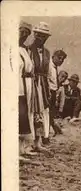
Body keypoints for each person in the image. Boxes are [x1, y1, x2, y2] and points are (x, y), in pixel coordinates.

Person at [30, 22, 52, 150]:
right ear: (35, 35)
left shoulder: (47, 53)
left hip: (42, 83)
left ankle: (42, 139)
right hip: (32, 82)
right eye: (40, 36)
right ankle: (32, 140)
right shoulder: (29, 49)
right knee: (33, 111)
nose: (42, 39)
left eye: (45, 37)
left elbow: (48, 72)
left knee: (43, 111)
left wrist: (47, 88)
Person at [19, 21, 37, 161]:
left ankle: (24, 148)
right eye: (22, 31)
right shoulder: (12, 49)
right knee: (20, 115)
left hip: (28, 84)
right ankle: (18, 150)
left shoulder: (24, 49)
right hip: (19, 84)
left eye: (27, 33)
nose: (24, 35)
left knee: (27, 114)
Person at [48, 49, 66, 135]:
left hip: (53, 92)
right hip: (48, 92)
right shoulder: (49, 67)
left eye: (62, 59)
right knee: (47, 114)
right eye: (59, 58)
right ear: (53, 57)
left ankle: (53, 130)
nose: (61, 60)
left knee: (50, 114)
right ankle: (49, 132)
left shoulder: (55, 68)